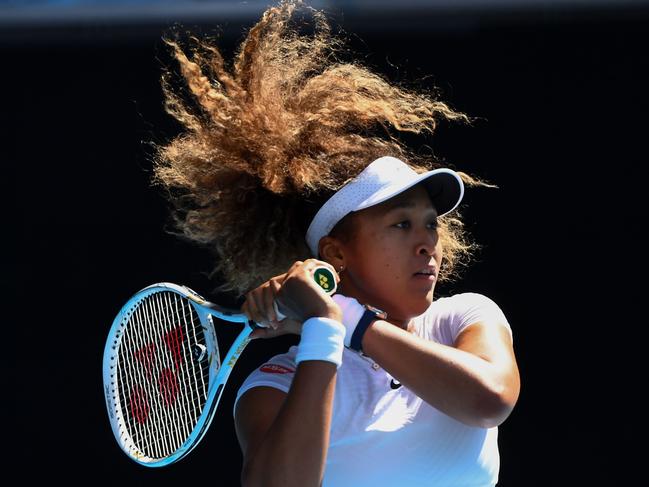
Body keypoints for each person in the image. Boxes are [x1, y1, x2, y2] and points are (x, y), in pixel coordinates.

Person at [151, 1, 520, 485]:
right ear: (337, 254)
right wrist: (323, 329)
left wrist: (344, 316)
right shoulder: (275, 384)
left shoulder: (465, 318)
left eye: (430, 224)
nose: (428, 242)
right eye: (400, 225)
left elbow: (488, 400)